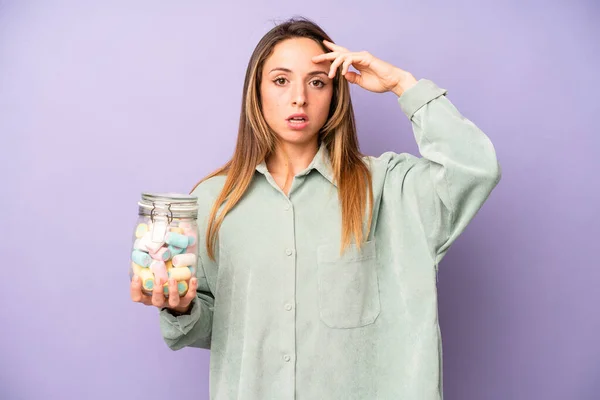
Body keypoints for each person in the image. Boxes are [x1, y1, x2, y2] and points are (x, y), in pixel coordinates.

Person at [130, 16, 501, 400]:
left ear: (335, 94)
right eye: (280, 80)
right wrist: (179, 308)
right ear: (255, 93)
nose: (299, 97)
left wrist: (401, 85)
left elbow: (474, 168)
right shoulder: (214, 202)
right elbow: (219, 327)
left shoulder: (388, 189)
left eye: (317, 81)